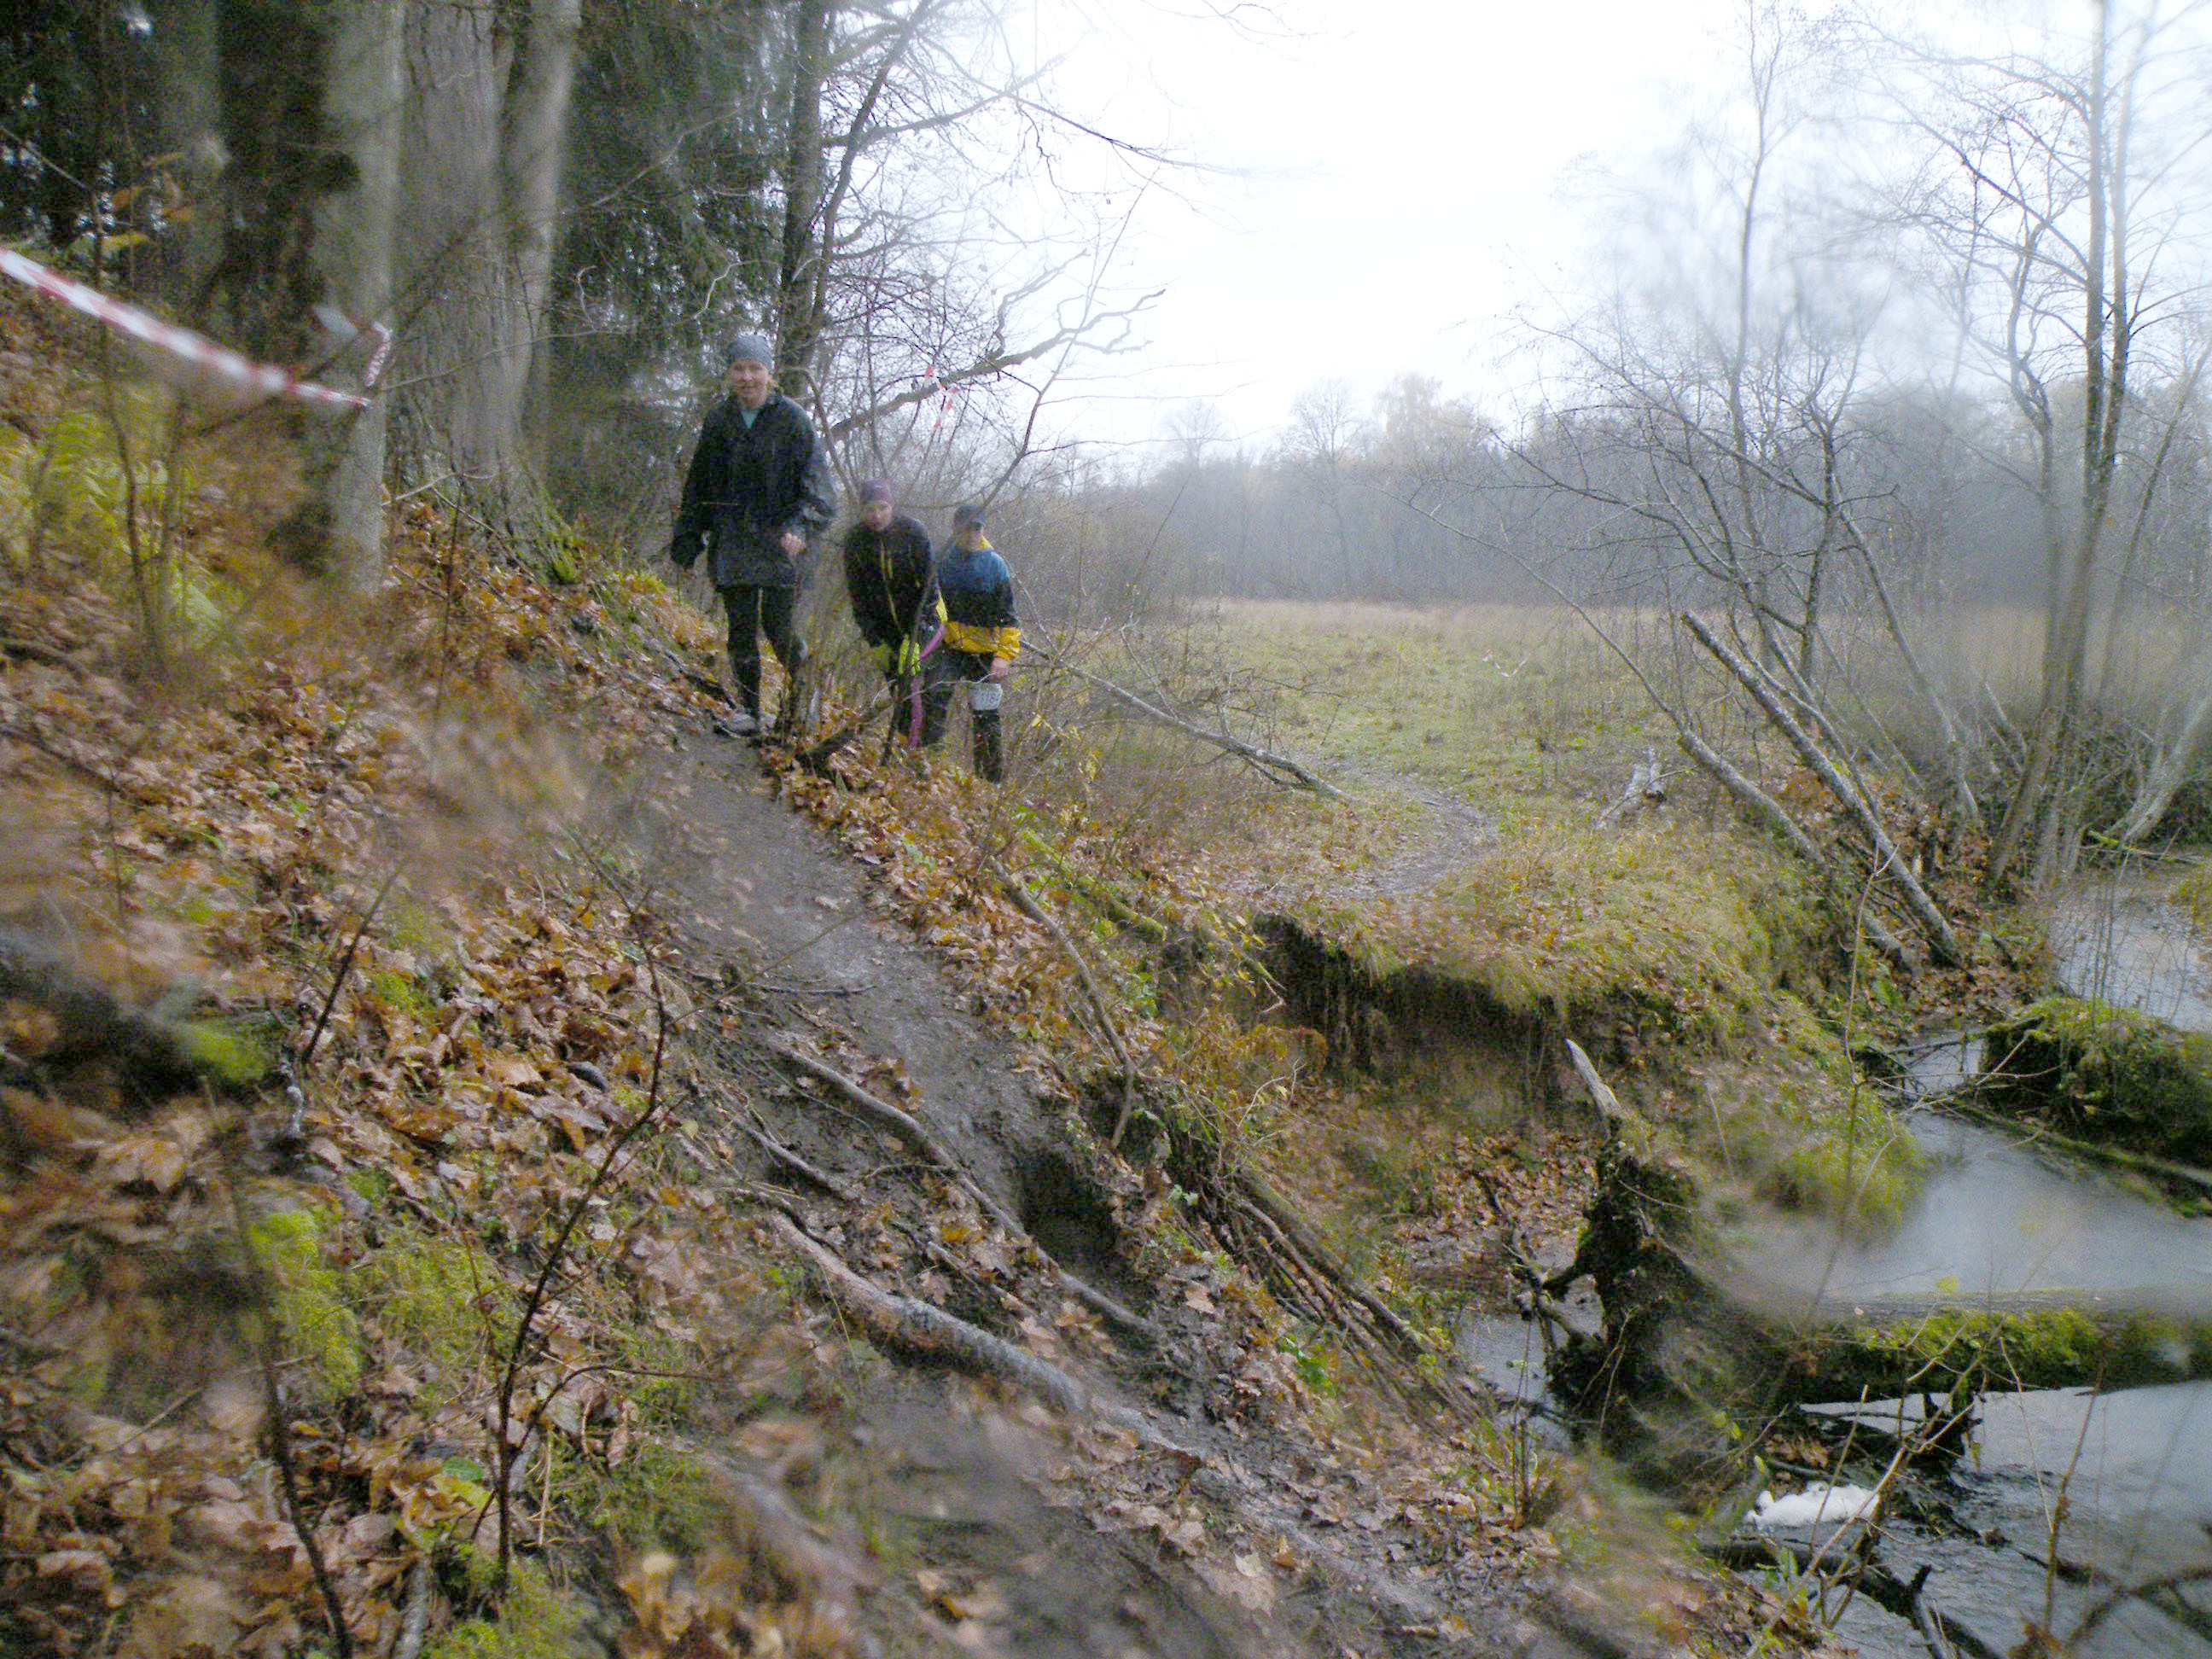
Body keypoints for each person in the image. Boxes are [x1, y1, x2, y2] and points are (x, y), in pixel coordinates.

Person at [668, 333, 835, 737]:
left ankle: (807, 698)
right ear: (729, 374)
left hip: (783, 542)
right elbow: (700, 485)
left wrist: (801, 526)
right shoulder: (719, 421)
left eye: (755, 369)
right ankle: (749, 712)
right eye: (738, 369)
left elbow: (821, 490)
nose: (746, 377)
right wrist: (689, 537)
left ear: (769, 373)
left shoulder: (793, 420)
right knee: (740, 628)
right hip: (733, 538)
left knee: (778, 627)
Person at [839, 478, 945, 748]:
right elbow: (858, 596)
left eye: (882, 508)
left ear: (892, 506)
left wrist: (916, 635)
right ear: (861, 510)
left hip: (926, 623)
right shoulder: (855, 541)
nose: (876, 516)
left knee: (922, 688)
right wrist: (874, 641)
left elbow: (930, 587)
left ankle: (926, 753)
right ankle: (903, 751)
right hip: (887, 631)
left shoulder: (912, 532)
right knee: (899, 693)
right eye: (870, 509)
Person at [934, 501, 1021, 782]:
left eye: (977, 528)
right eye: (966, 528)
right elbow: (929, 604)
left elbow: (1009, 617)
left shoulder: (995, 565)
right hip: (949, 647)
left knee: (987, 719)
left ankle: (989, 782)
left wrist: (1004, 656)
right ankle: (927, 767)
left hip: (985, 653)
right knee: (934, 698)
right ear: (955, 529)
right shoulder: (943, 560)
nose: (971, 534)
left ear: (983, 529)